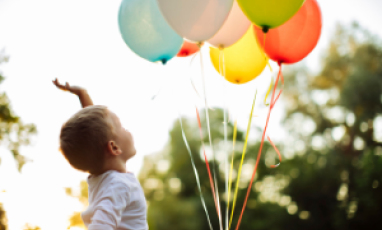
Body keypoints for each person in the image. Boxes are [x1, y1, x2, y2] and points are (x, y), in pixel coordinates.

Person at [52, 79, 148, 230]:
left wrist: (83, 94)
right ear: (114, 147)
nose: (127, 129)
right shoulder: (119, 185)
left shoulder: (104, 180)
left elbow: (95, 134)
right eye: (121, 127)